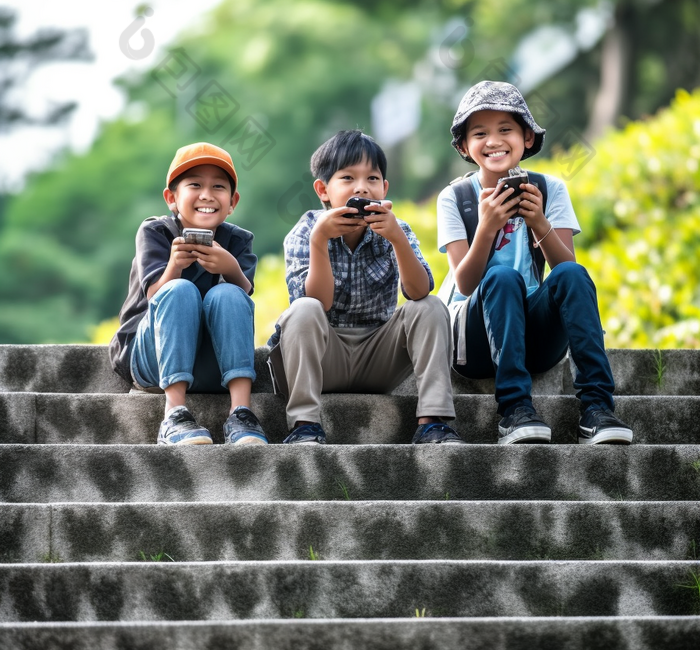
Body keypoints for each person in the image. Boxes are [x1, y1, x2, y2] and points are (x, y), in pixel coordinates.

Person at [437, 79, 633, 447]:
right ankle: (514, 410)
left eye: (505, 130)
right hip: (473, 342)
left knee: (573, 273)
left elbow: (564, 272)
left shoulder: (550, 188)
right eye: (480, 133)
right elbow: (464, 284)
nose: (493, 141)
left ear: (526, 138)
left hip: (533, 338)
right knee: (501, 277)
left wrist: (539, 222)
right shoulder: (456, 197)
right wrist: (486, 228)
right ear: (465, 146)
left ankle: (596, 409)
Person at [267, 129, 462, 444]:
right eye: (347, 178)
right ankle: (304, 425)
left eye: (372, 179)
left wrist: (397, 238)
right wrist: (320, 240)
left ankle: (433, 421)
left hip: (378, 357)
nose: (362, 188)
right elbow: (318, 302)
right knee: (303, 308)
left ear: (384, 187)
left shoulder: (396, 229)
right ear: (323, 190)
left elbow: (418, 291)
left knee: (430, 306)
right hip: (323, 357)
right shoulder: (306, 230)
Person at [110, 141, 266, 447]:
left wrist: (230, 267)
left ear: (232, 201)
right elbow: (155, 294)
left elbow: (245, 297)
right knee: (179, 289)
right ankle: (174, 415)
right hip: (153, 360)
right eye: (195, 184)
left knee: (229, 295)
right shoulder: (156, 232)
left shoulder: (237, 241)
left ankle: (241, 413)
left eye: (218, 187)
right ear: (172, 197)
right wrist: (174, 267)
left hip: (211, 363)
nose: (207, 194)